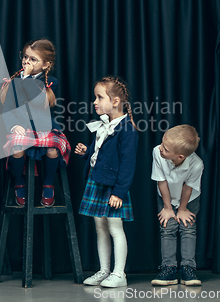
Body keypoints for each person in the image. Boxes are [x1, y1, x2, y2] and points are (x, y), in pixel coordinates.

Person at [75, 76, 139, 288]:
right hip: (97, 181)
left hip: (113, 187)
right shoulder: (105, 125)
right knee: (100, 227)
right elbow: (101, 154)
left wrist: (119, 192)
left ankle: (119, 273)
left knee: (114, 228)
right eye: (95, 97)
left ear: (115, 101)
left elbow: (127, 165)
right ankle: (104, 270)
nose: (95, 101)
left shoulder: (127, 129)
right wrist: (87, 152)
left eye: (99, 97)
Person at [0, 39, 71, 207]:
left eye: (33, 59)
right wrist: (13, 125)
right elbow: (8, 110)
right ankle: (19, 182)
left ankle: (48, 183)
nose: (27, 62)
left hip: (45, 127)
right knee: (17, 147)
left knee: (53, 149)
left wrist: (25, 79)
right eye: (25, 57)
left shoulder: (51, 82)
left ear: (46, 65)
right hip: (23, 129)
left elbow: (38, 102)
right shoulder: (14, 83)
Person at [150, 125, 204, 286]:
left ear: (180, 156)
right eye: (162, 143)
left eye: (165, 148)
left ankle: (188, 268)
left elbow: (188, 188)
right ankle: (169, 268)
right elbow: (162, 182)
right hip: (166, 196)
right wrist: (167, 208)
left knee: (187, 229)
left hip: (189, 200)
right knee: (167, 229)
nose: (161, 148)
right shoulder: (157, 153)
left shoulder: (197, 164)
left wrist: (182, 209)